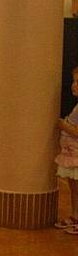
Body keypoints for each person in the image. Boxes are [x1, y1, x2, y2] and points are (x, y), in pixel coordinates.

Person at [55, 67, 78, 233]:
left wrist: (64, 126)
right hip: (71, 152)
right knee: (73, 186)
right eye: (74, 81)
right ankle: (75, 213)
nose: (74, 85)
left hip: (76, 153)